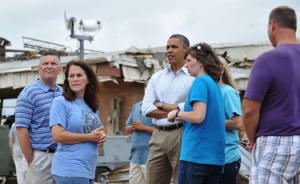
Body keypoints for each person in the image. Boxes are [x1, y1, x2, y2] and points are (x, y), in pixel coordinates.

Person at [242, 6, 300, 184]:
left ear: (272, 25)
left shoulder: (267, 60)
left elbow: (250, 110)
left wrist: (251, 139)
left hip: (275, 142)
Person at [168, 42, 225, 184]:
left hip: (197, 155)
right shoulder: (214, 83)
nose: (185, 65)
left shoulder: (199, 82)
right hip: (215, 158)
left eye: (188, 61)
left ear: (201, 62)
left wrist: (176, 113)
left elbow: (198, 116)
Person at [142, 34, 194, 184]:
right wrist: (177, 112)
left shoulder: (194, 77)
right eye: (168, 47)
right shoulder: (157, 77)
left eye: (174, 47)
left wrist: (159, 104)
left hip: (182, 133)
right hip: (158, 134)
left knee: (182, 180)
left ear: (186, 50)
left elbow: (190, 109)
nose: (169, 51)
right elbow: (146, 109)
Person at [50, 60, 107, 184]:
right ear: (67, 80)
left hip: (88, 170)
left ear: (88, 79)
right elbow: (57, 135)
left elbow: (91, 133)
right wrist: (89, 137)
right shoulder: (61, 102)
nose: (75, 79)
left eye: (79, 75)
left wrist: (100, 136)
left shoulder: (92, 105)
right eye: (71, 76)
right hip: (70, 169)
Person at [15, 51, 63, 184]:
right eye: (45, 63)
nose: (49, 66)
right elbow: (21, 128)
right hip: (40, 158)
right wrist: (31, 159)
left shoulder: (63, 94)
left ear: (60, 69)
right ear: (39, 69)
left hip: (62, 157)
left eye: (53, 63)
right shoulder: (29, 93)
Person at [126, 77, 156, 184]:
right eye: (147, 86)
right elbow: (127, 127)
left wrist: (143, 127)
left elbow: (164, 133)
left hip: (151, 158)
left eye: (152, 87)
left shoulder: (159, 108)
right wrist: (133, 127)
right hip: (135, 157)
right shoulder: (136, 106)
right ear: (144, 88)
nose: (149, 89)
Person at [218, 57, 242, 184]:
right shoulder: (212, 92)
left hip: (227, 158)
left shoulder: (228, 92)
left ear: (221, 70)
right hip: (213, 157)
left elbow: (237, 123)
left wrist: (210, 123)